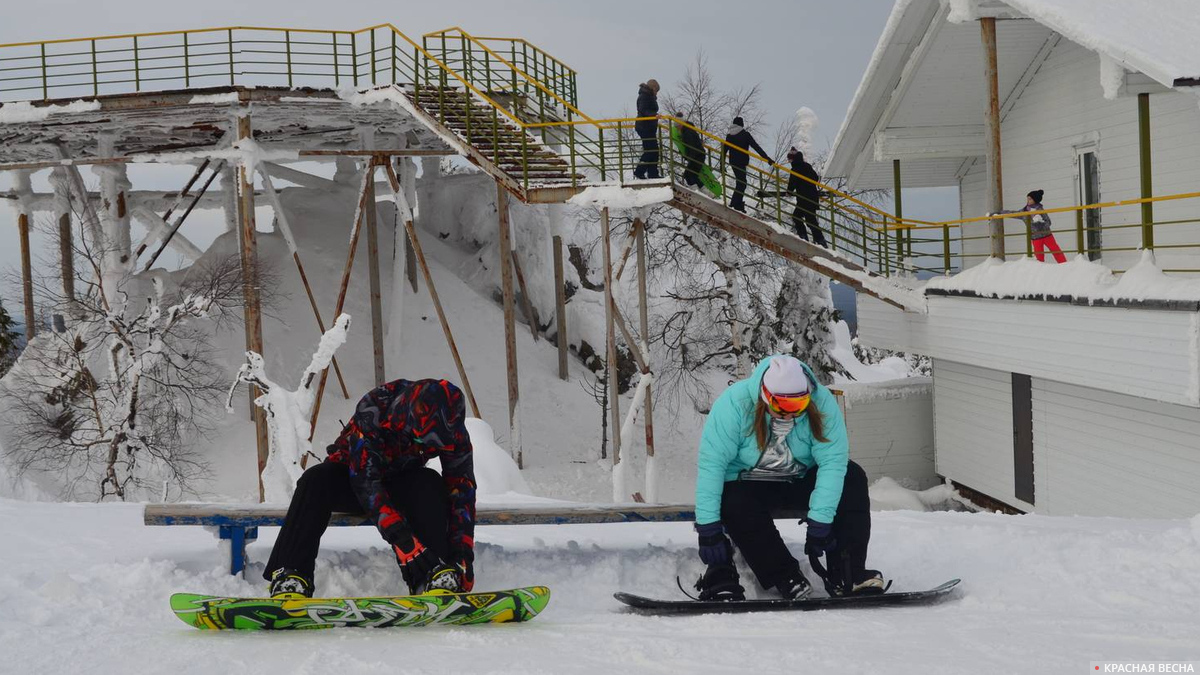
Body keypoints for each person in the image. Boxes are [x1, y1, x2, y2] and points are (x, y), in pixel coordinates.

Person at [263, 378, 477, 599]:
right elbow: (365, 479)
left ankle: (435, 575)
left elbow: (462, 489)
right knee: (315, 480)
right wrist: (403, 540)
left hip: (401, 484)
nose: (423, 444)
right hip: (353, 478)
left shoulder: (454, 431)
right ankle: (291, 575)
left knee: (429, 482)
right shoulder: (376, 405)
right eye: (419, 438)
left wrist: (462, 556)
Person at [693, 355, 883, 601]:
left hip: (798, 479)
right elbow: (712, 466)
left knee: (852, 477)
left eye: (797, 406)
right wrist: (708, 529)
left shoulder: (822, 403)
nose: (788, 414)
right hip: (748, 483)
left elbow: (833, 463)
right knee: (733, 501)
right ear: (764, 395)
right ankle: (785, 575)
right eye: (780, 405)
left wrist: (820, 522)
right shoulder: (734, 405)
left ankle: (848, 574)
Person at [992, 189, 1066, 263]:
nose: (1028, 201)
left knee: (1056, 251)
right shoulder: (1024, 211)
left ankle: (1064, 265)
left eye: (1030, 199)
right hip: (1035, 238)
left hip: (1047, 236)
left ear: (1035, 199)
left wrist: (1040, 224)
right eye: (1027, 199)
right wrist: (1000, 213)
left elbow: (1048, 222)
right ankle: (1040, 271)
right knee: (1039, 258)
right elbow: (1013, 213)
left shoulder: (1040, 209)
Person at [721, 116, 772, 212]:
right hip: (741, 163)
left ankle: (737, 204)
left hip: (733, 162)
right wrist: (767, 159)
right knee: (742, 183)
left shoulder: (729, 136)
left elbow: (724, 151)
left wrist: (722, 165)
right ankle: (736, 205)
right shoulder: (745, 134)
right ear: (741, 124)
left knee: (741, 183)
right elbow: (756, 147)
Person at [786, 147, 828, 247]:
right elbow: (815, 177)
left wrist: (789, 192)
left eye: (789, 159)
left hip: (804, 198)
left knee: (805, 219)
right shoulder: (807, 166)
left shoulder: (795, 168)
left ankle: (816, 240)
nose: (788, 161)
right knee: (805, 218)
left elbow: (792, 182)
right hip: (811, 197)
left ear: (793, 159)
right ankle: (817, 240)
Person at [633, 79, 661, 180]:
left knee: (654, 150)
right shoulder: (644, 96)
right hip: (644, 127)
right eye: (656, 90)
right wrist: (654, 115)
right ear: (653, 88)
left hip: (648, 127)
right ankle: (639, 171)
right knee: (651, 150)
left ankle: (653, 173)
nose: (656, 93)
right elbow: (643, 110)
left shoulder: (648, 96)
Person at [677, 114, 707, 188]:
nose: (677, 128)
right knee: (690, 175)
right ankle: (702, 191)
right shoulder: (688, 130)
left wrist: (690, 158)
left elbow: (691, 146)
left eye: (677, 125)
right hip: (697, 155)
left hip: (697, 156)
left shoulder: (687, 132)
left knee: (689, 175)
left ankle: (699, 191)